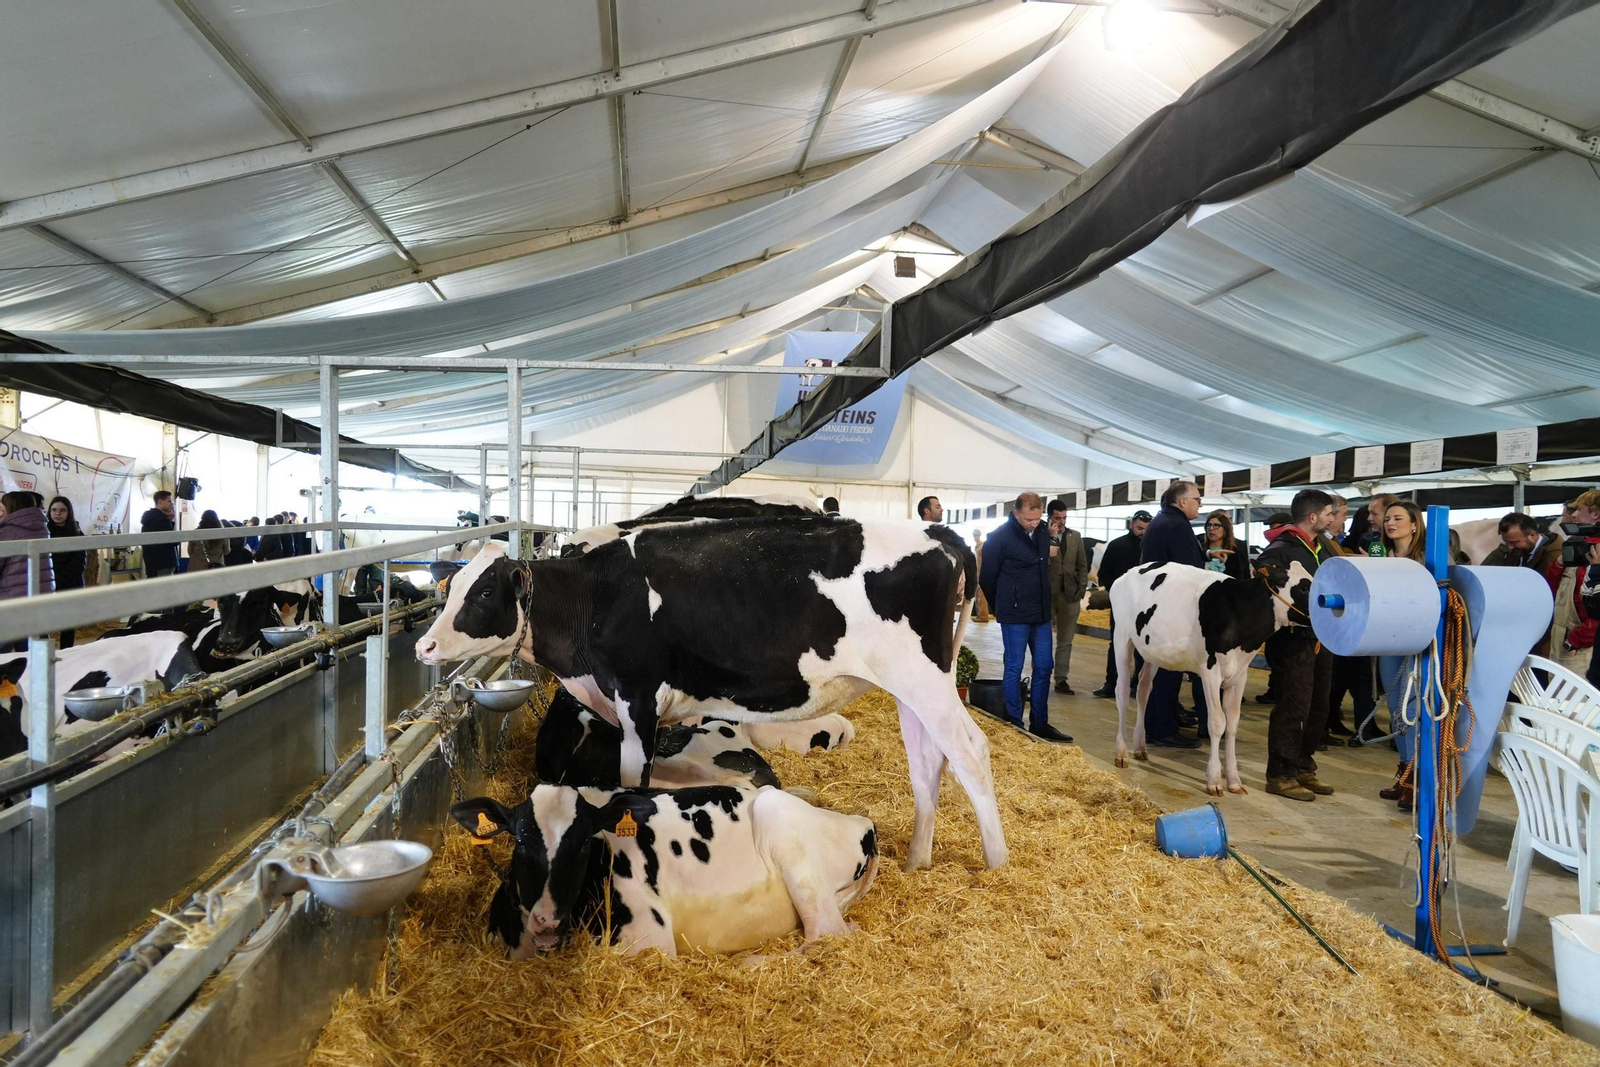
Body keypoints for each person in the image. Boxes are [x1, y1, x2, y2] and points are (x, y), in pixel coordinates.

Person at [1260, 489, 1336, 802]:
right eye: (1330, 513)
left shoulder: (1325, 547)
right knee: (1293, 706)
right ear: (1313, 516)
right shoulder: (1280, 549)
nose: (1334, 518)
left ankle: (1303, 765)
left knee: (1319, 706)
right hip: (1293, 641)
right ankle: (1279, 774)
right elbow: (1264, 575)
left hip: (1324, 637)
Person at [978, 492, 1071, 743]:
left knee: (1044, 666)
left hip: (1040, 613)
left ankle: (1040, 724)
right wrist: (1003, 607)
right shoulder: (999, 538)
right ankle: (1015, 724)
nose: (1033, 523)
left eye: (1037, 518)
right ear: (1016, 512)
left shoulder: (1042, 532)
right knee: (1014, 667)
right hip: (1015, 614)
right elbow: (987, 577)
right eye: (1029, 519)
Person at [1134, 482, 1207, 749]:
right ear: (1181, 501)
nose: (1200, 503)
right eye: (1197, 499)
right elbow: (1188, 570)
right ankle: (1163, 729)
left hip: (1157, 604)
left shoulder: (1164, 521)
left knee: (1160, 669)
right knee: (1168, 669)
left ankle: (1161, 724)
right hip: (1171, 606)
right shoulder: (1176, 525)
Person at [1373, 501, 1427, 809]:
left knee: (1414, 707)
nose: (1390, 523)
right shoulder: (1382, 556)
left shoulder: (1427, 557)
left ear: (1414, 524)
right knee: (1396, 707)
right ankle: (1405, 773)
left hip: (1417, 640)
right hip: (1387, 640)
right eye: (1388, 519)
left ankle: (1416, 778)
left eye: (1398, 518)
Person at [1092, 510, 1151, 699]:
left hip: (1145, 605)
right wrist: (1117, 591)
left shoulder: (1151, 547)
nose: (1142, 532)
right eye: (1140, 528)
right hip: (1122, 605)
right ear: (1132, 524)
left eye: (1146, 529)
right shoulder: (1117, 545)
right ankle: (1112, 683)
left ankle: (1137, 683)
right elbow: (1104, 574)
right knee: (1118, 644)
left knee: (1143, 647)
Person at [1547, 490, 1598, 677]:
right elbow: (1553, 590)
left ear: (1596, 514)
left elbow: (1596, 607)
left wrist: (1576, 640)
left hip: (1582, 647)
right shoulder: (1579, 546)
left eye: (1580, 509)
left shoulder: (1595, 552)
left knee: (1576, 703)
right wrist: (1558, 565)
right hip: (1563, 637)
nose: (1574, 515)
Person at [1045, 499, 1088, 695]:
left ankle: (1061, 679)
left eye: (1064, 518)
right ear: (1049, 517)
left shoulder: (1075, 536)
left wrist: (1081, 589)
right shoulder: (1038, 535)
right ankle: (1042, 677)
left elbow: (1082, 566)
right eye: (1057, 518)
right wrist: (1049, 538)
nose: (1061, 521)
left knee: (1066, 640)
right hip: (1045, 595)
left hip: (1070, 595)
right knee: (1043, 639)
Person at [46, 496, 88, 647]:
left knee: (68, 625)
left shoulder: (77, 533)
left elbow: (79, 563)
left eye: (62, 510)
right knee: (43, 622)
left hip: (69, 584)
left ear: (69, 512)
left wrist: (57, 581)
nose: (57, 513)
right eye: (54, 510)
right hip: (48, 585)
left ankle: (67, 655)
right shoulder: (43, 533)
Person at [1199, 510, 1250, 581]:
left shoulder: (1235, 552)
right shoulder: (1199, 547)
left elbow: (1241, 578)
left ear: (1225, 530)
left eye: (1216, 525)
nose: (1211, 528)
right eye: (1209, 525)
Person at [140, 490, 179, 577]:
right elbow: (174, 541)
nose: (171, 504)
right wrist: (170, 522)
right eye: (169, 501)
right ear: (160, 502)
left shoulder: (148, 520)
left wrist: (169, 521)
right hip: (164, 562)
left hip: (151, 562)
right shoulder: (162, 520)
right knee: (165, 589)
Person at [971, 530, 991, 622]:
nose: (975, 537)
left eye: (977, 535)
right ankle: (980, 615)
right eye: (974, 535)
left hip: (982, 574)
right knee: (979, 595)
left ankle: (983, 616)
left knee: (981, 595)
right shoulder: (977, 547)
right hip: (978, 573)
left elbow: (986, 561)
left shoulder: (982, 546)